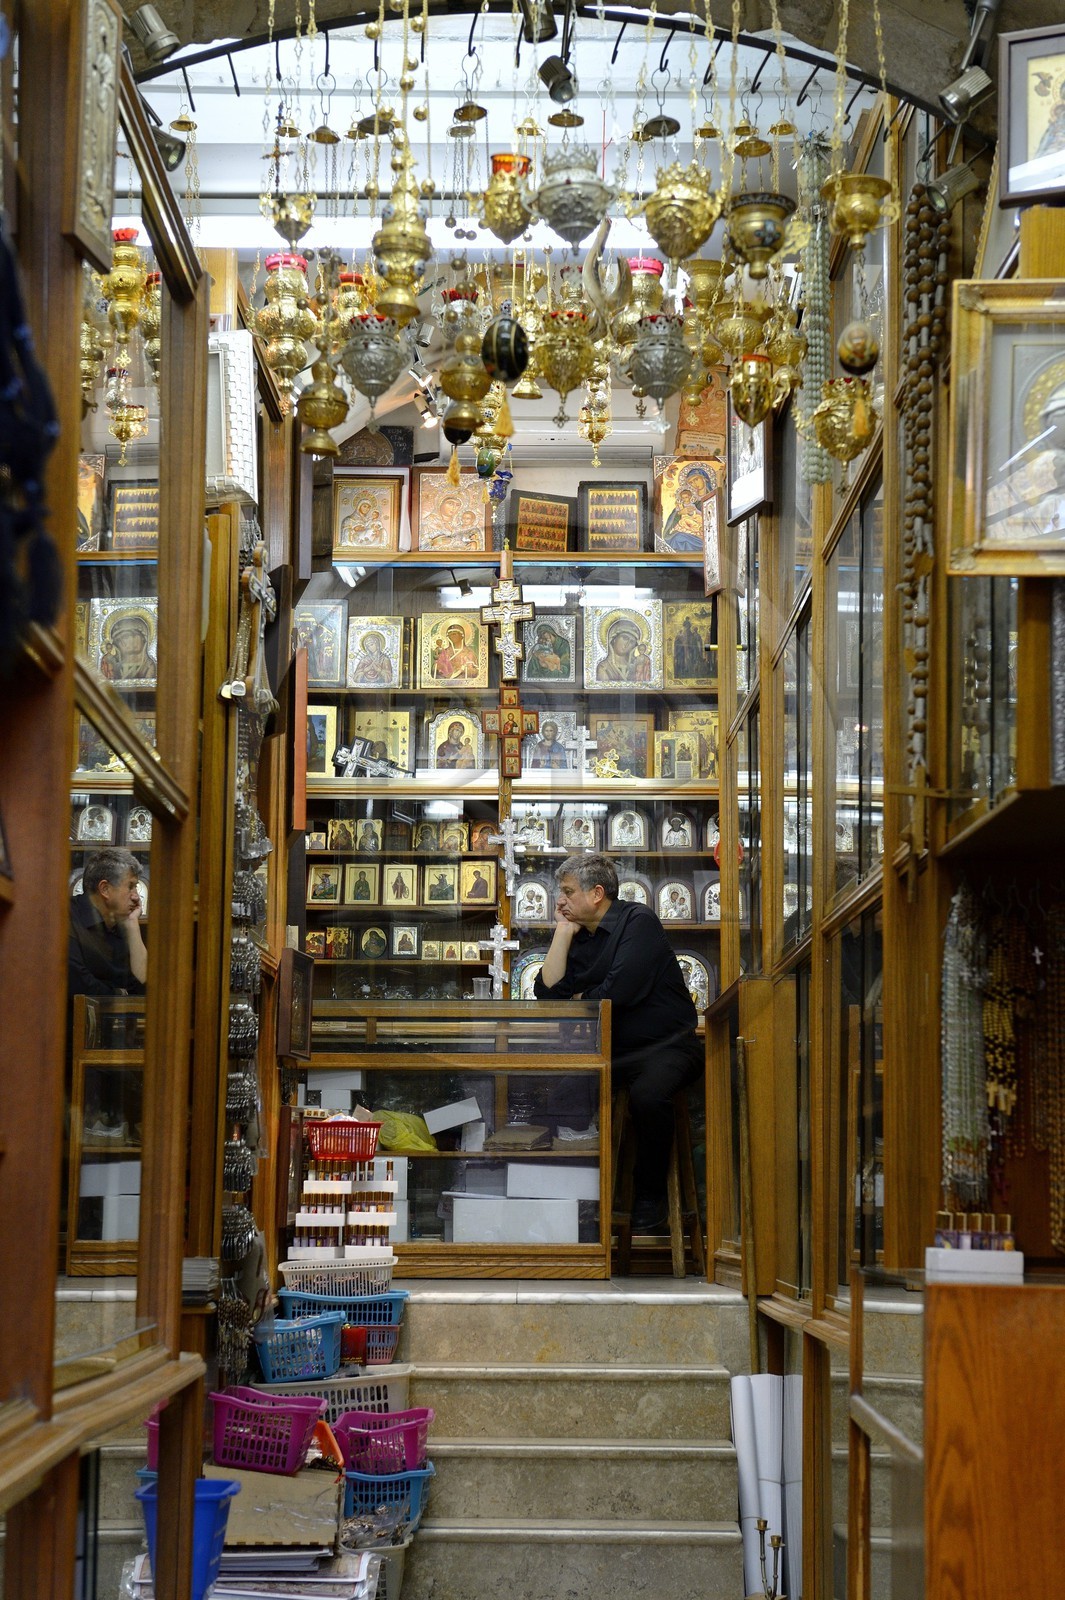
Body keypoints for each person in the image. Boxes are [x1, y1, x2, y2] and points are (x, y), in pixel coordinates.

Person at [534, 852, 702, 1235]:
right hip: (614, 1054)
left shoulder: (637, 921)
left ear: (596, 893)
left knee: (647, 1097)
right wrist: (561, 932)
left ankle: (649, 1197)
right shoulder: (578, 935)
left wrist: (583, 997)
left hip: (669, 1047)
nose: (559, 901)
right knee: (556, 1097)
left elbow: (619, 994)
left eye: (567, 892)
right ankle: (568, 1206)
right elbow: (547, 997)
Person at [69, 848, 147, 1001]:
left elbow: (143, 988)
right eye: (130, 886)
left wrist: (132, 925)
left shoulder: (120, 926)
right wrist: (119, 994)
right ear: (105, 889)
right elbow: (78, 984)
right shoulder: (66, 914)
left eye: (136, 887)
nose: (136, 897)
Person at [596, 615, 652, 683]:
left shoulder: (636, 665)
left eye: (631, 642)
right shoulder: (604, 667)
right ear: (614, 639)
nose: (627, 644)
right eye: (625, 638)